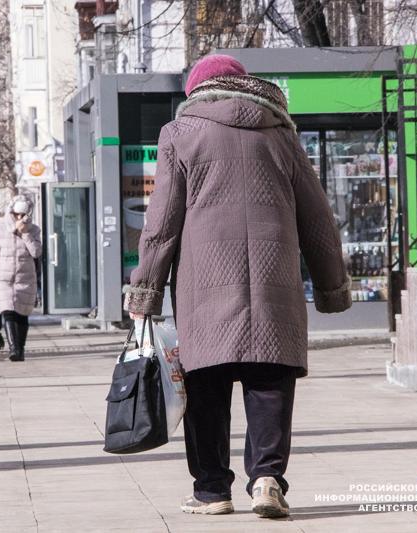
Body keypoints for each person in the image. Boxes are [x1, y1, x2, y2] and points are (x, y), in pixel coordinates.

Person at [125, 55, 351, 518]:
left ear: (196, 92)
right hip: (274, 283)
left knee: (206, 386)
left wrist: (145, 291)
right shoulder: (282, 135)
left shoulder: (180, 134)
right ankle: (267, 479)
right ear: (243, 85)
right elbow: (318, 219)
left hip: (205, 287)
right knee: (270, 379)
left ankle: (212, 491)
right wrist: (333, 287)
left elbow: (161, 224)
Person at [0, 195, 42, 362]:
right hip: (3, 278)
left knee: (22, 314)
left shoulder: (34, 229)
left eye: (23, 215)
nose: (19, 218)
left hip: (25, 278)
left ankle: (20, 349)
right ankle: (14, 349)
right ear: (12, 212)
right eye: (17, 214)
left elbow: (36, 252)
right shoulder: (0, 227)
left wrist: (25, 234)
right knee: (8, 311)